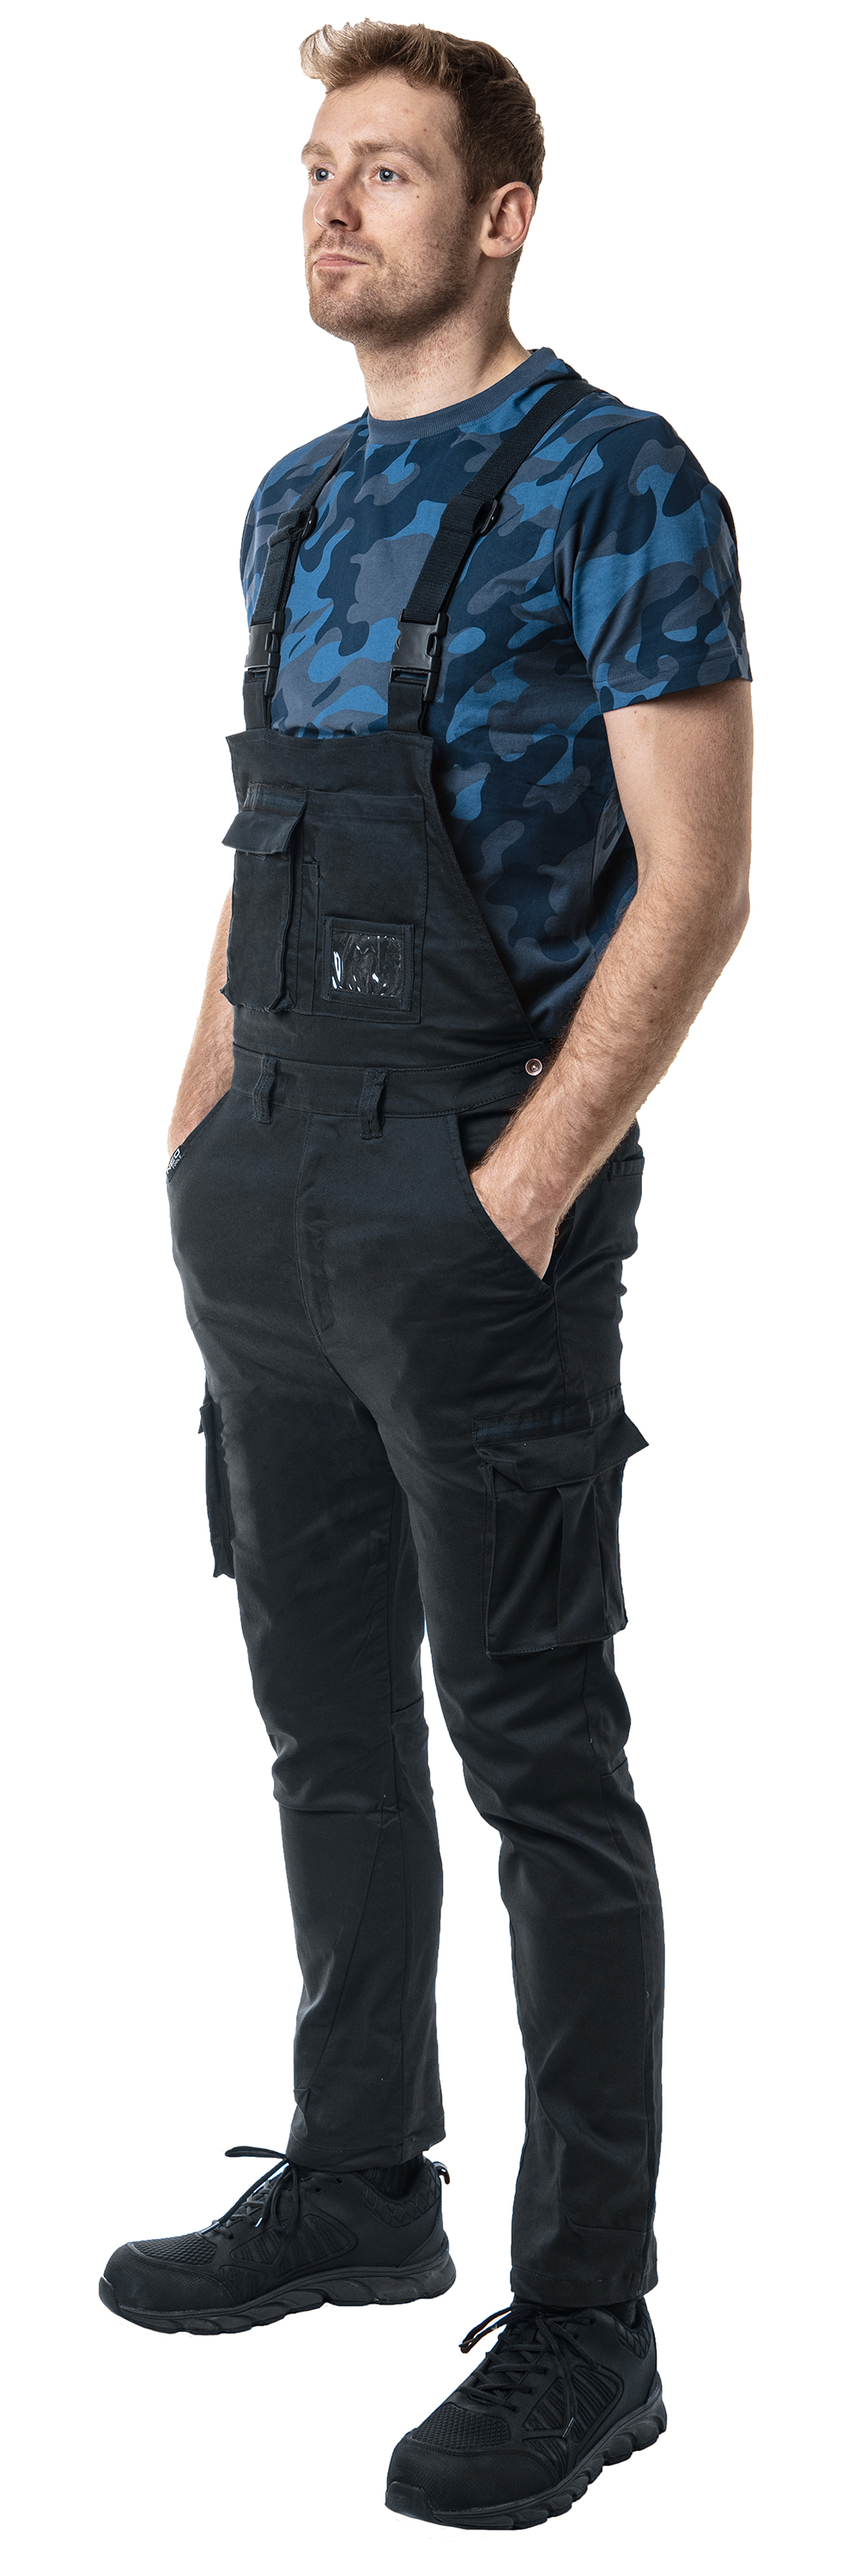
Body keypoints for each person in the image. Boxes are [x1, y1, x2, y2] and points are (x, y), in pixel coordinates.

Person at [99, 21, 752, 2532]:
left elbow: (699, 881)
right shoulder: (289, 501)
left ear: (498, 216)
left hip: (476, 1199)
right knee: (322, 1727)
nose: (329, 206)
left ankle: (591, 2320)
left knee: (538, 1755)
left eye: (384, 171)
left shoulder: (618, 479)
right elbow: (259, 843)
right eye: (314, 167)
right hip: (270, 1189)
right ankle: (364, 2179)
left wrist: (533, 1179)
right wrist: (197, 1127)